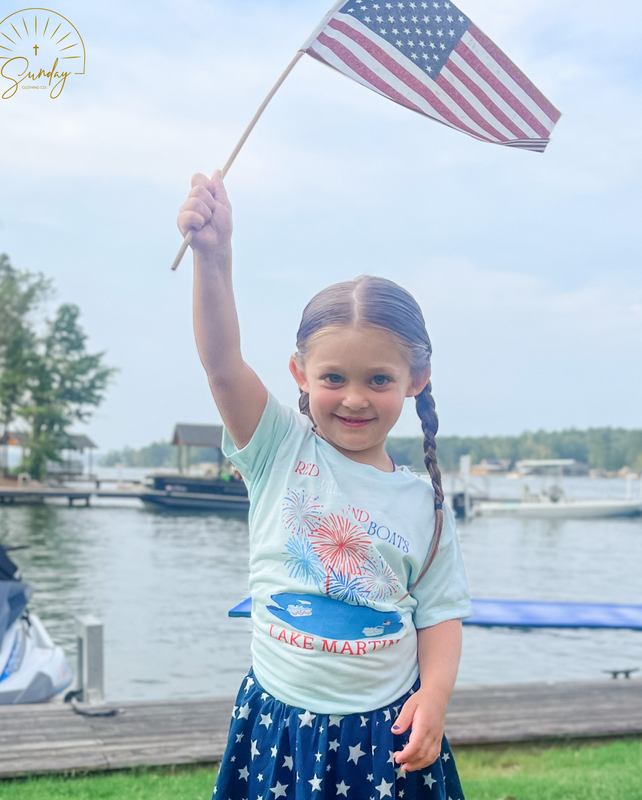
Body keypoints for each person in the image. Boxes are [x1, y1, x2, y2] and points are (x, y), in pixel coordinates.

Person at [178, 171, 472, 800]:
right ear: (300, 374)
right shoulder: (278, 449)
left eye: (380, 380)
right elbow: (223, 364)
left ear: (415, 379)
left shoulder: (426, 505)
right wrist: (214, 257)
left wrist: (435, 696)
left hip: (383, 734)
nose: (356, 398)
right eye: (334, 376)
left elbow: (440, 614)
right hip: (279, 726)